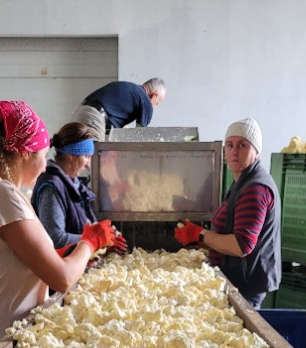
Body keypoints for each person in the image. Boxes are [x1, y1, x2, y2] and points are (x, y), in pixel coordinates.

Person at [0, 100, 121, 348]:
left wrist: (64, 253)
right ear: (26, 153)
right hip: (2, 343)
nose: (46, 165)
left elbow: (20, 259)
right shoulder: (0, 195)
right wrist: (89, 242)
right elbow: (63, 278)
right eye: (44, 155)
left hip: (15, 337)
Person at [175, 117, 281, 309]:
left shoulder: (255, 188)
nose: (234, 152)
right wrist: (200, 240)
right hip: (237, 281)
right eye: (230, 145)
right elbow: (231, 230)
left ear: (256, 151)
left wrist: (200, 234)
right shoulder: (242, 181)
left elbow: (241, 245)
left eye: (242, 145)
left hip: (245, 287)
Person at [31, 123, 98, 250]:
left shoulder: (73, 183)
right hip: (62, 261)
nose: (88, 165)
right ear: (71, 156)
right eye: (86, 157)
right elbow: (55, 239)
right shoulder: (51, 188)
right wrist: (95, 239)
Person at [72, 78, 166, 141]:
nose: (154, 106)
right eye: (156, 103)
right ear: (154, 95)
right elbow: (140, 135)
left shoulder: (130, 89)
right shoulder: (146, 101)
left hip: (82, 112)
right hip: (94, 119)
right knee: (94, 160)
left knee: (75, 158)